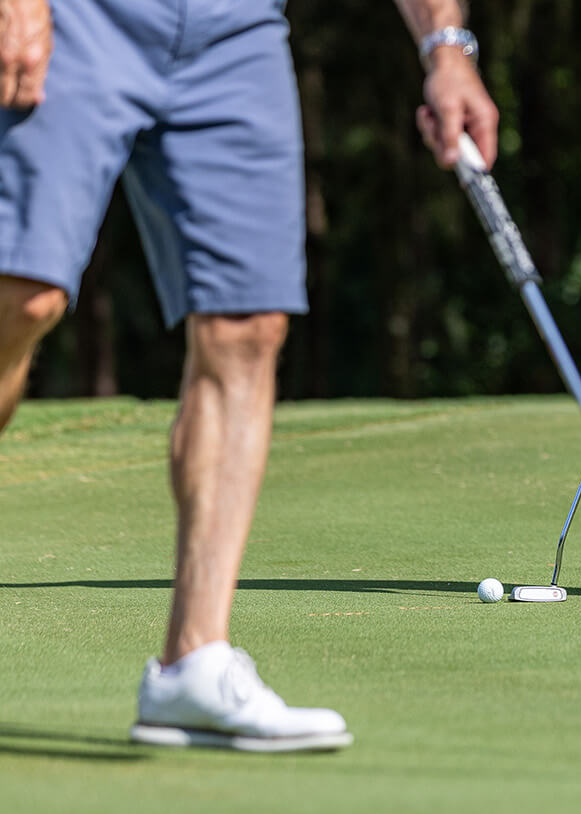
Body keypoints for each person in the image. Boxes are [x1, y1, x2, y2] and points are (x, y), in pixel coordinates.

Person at [0, 0, 497, 750]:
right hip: (79, 15)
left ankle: (194, 664)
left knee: (247, 325)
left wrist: (445, 48)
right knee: (24, 295)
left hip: (234, 30)